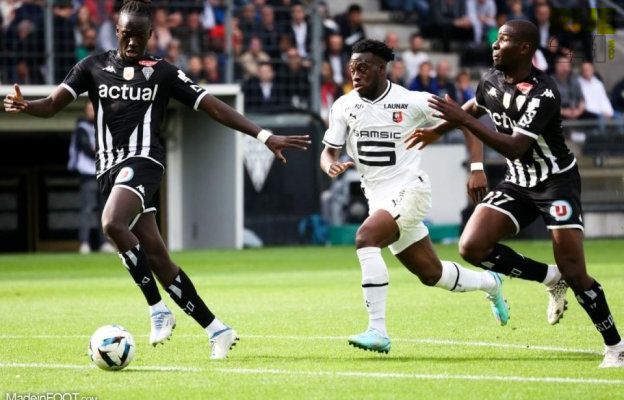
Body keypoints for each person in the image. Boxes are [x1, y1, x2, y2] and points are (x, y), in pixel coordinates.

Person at [4, 0, 310, 360]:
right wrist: (27, 106)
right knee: (159, 259)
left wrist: (263, 135)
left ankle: (157, 309)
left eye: (140, 34)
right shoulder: (92, 67)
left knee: (111, 223)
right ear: (117, 31)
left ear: (151, 34)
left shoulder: (163, 72)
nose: (133, 41)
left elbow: (212, 105)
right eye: (127, 34)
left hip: (143, 161)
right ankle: (218, 329)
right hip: (109, 171)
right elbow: (52, 104)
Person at [405, 20, 624, 368]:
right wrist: (438, 131)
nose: (495, 44)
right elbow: (473, 108)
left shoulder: (543, 94)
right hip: (518, 182)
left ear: (524, 48)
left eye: (504, 39)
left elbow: (515, 146)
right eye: (496, 39)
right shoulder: (491, 79)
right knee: (472, 247)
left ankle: (616, 347)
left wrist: (463, 121)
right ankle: (551, 278)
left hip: (556, 183)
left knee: (575, 269)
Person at [320, 39, 509, 354]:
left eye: (363, 67)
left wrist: (477, 167)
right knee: (432, 274)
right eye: (352, 67)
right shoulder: (343, 106)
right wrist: (330, 165)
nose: (356, 73)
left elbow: (466, 121)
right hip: (378, 200)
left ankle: (378, 330)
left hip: (410, 190)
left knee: (366, 238)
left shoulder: (412, 101)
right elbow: (328, 151)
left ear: (382, 68)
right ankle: (491, 283)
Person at [67, 101, 115, 254]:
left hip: (103, 173)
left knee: (104, 210)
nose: (91, 111)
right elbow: (86, 148)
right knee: (87, 209)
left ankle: (104, 242)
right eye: (88, 109)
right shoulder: (81, 128)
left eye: (93, 109)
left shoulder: (104, 127)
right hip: (88, 175)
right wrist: (100, 150)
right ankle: (85, 243)